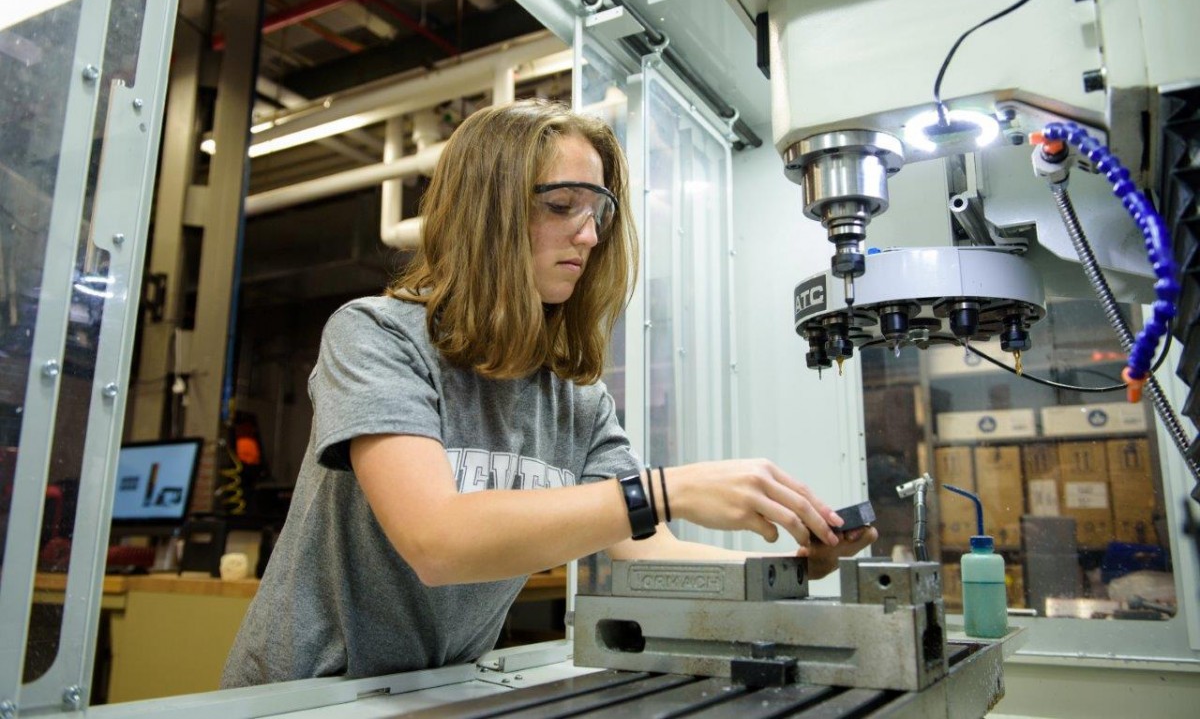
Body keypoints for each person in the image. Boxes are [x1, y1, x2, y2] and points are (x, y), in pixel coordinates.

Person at [221, 99, 876, 687]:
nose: (589, 236)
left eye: (598, 213)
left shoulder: (575, 400)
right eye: (562, 206)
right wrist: (663, 489)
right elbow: (436, 540)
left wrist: (794, 570)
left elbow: (646, 547)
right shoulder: (376, 337)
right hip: (301, 693)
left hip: (434, 691)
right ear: (488, 212)